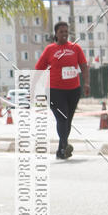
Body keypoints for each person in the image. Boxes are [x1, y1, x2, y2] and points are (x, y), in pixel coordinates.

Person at [36, 21, 89, 159]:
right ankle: (65, 145)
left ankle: (61, 151)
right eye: (61, 32)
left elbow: (84, 66)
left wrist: (87, 84)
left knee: (68, 120)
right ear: (56, 34)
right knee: (62, 118)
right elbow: (39, 69)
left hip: (73, 90)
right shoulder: (50, 49)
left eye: (66, 31)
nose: (64, 34)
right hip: (54, 90)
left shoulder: (75, 48)